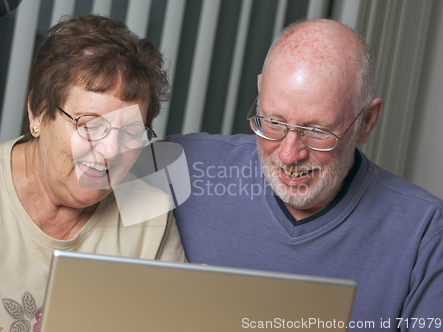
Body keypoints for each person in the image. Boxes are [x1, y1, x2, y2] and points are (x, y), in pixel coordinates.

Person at [167, 19, 443, 330]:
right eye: (273, 121)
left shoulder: (426, 232)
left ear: (366, 122)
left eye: (316, 131)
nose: (288, 154)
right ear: (260, 91)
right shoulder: (179, 165)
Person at [0, 14, 185, 331]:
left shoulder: (148, 217)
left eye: (129, 133)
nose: (111, 151)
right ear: (39, 113)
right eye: (90, 124)